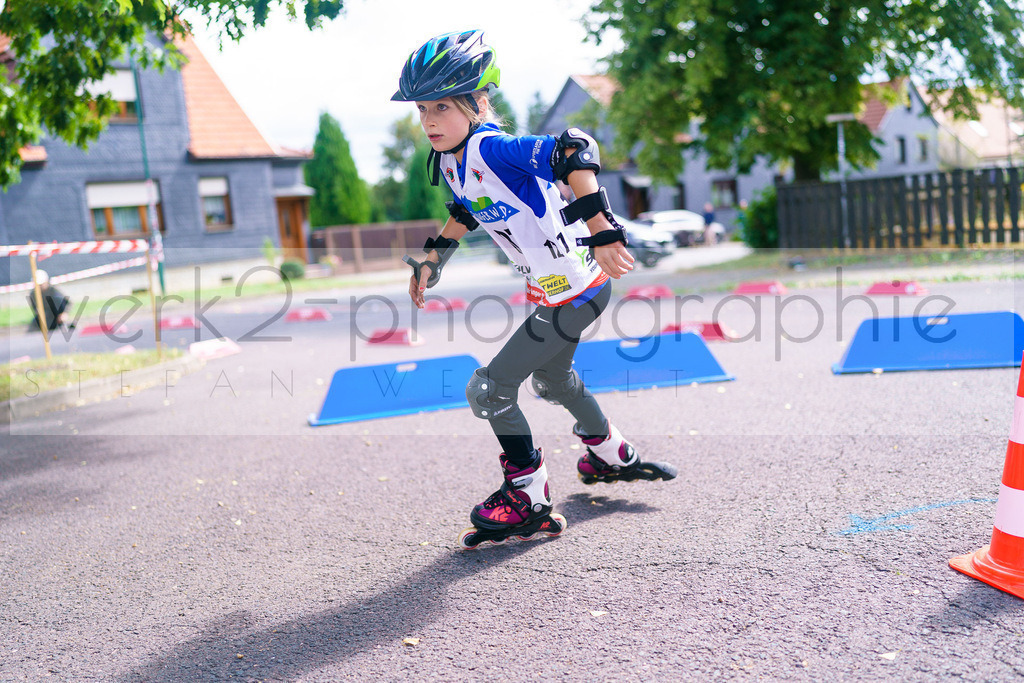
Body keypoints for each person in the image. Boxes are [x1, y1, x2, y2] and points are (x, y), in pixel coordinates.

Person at [394, 31, 677, 549]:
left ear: (479, 104)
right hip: (559, 290)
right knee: (553, 380)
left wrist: (602, 229)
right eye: (422, 109)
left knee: (490, 389)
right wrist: (435, 258)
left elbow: (575, 148)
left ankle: (529, 497)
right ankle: (610, 454)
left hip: (576, 293)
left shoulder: (493, 148)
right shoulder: (454, 158)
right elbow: (467, 209)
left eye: (442, 106)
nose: (429, 120)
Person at [26, 269, 72, 334]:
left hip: (56, 318)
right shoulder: (33, 294)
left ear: (46, 282)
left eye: (41, 284)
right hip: (43, 318)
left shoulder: (54, 292)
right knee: (31, 332)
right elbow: (35, 308)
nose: (39, 287)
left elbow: (67, 302)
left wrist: (65, 313)